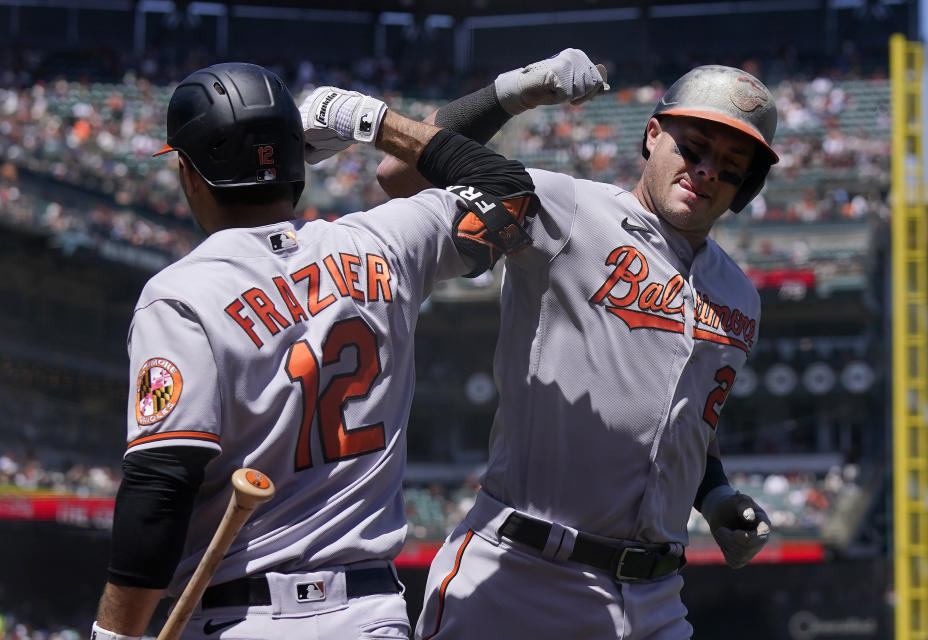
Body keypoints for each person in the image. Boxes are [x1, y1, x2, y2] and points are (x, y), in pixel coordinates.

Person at [89, 61, 591, 640]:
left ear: (192, 174)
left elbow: (161, 483)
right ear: (298, 163)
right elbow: (507, 194)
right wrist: (369, 120)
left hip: (240, 618)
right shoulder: (380, 242)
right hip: (369, 616)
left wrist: (116, 634)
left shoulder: (179, 294)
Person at [374, 51, 776, 639]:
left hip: (657, 597)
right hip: (521, 576)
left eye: (732, 165)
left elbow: (684, 422)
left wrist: (715, 494)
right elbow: (396, 175)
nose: (708, 171)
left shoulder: (739, 295)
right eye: (692, 149)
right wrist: (514, 91)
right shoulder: (569, 208)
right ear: (652, 135)